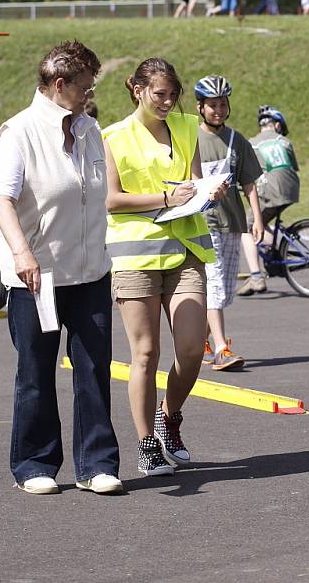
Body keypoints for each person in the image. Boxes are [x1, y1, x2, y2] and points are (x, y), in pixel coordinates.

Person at [0, 40, 121, 495]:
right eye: (84, 87)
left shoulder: (88, 129)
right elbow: (2, 200)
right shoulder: (19, 132)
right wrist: (22, 253)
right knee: (36, 373)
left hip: (90, 272)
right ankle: (33, 464)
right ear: (59, 84)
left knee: (94, 370)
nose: (89, 95)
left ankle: (97, 464)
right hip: (37, 276)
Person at [103, 58, 228, 476]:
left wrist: (209, 192)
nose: (168, 102)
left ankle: (168, 416)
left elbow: (191, 183)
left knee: (193, 348)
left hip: (185, 248)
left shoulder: (187, 126)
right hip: (135, 255)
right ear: (137, 89)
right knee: (146, 354)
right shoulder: (113, 136)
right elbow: (112, 200)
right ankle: (145, 445)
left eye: (173, 94)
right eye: (160, 94)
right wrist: (164, 198)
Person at [194, 75, 263, 369]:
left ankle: (201, 344)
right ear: (200, 107)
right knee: (214, 285)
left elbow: (248, 183)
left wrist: (256, 217)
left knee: (224, 289)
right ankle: (222, 348)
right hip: (202, 224)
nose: (219, 110)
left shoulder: (237, 141)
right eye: (212, 105)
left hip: (232, 222)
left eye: (223, 104)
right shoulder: (191, 139)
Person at [238, 105, 300, 296]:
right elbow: (294, 168)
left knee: (246, 227)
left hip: (270, 190)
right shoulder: (284, 141)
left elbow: (248, 172)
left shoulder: (252, 143)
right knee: (262, 221)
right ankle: (279, 249)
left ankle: (256, 276)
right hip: (292, 189)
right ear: (278, 125)